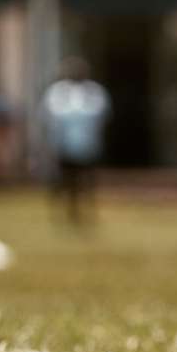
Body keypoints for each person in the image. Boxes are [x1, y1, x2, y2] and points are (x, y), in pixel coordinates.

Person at [43, 56, 111, 229]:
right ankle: (62, 215)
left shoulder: (94, 91)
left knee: (86, 182)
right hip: (63, 146)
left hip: (87, 145)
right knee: (63, 182)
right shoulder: (57, 91)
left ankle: (86, 214)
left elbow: (101, 115)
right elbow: (50, 117)